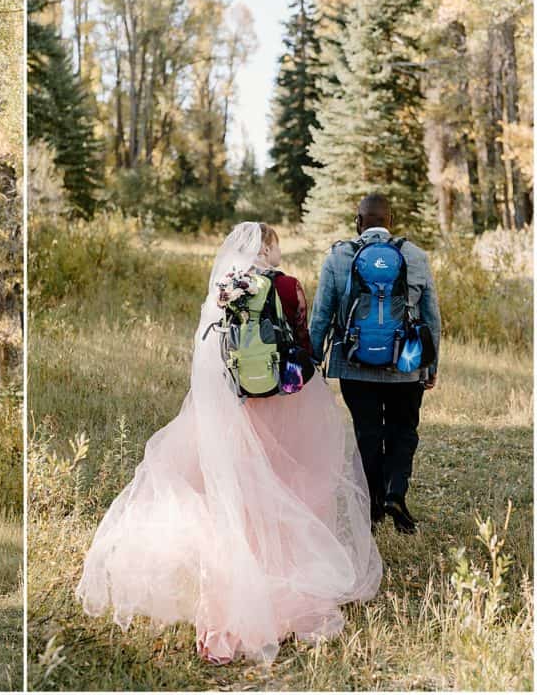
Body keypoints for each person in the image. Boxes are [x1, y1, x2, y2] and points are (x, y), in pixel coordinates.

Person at [76, 222, 381, 665]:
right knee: (291, 481)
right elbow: (302, 340)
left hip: (238, 402)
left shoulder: (227, 289)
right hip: (285, 398)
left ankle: (237, 589)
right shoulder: (289, 285)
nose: (277, 251)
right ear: (268, 248)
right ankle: (286, 577)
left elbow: (214, 351)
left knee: (245, 493)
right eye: (275, 245)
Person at [309, 193, 441, 534]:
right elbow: (431, 318)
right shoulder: (416, 256)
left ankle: (371, 507)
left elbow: (321, 316)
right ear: (390, 222)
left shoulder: (339, 256)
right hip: (406, 364)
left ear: (359, 222)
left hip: (354, 364)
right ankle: (395, 492)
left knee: (368, 432)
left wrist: (313, 360)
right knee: (404, 430)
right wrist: (430, 364)